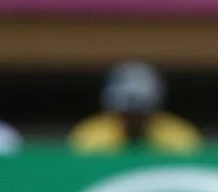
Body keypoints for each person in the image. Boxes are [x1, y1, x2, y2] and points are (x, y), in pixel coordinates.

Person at [69, 61, 202, 155]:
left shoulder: (179, 138)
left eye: (141, 112)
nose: (134, 118)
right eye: (127, 112)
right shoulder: (90, 137)